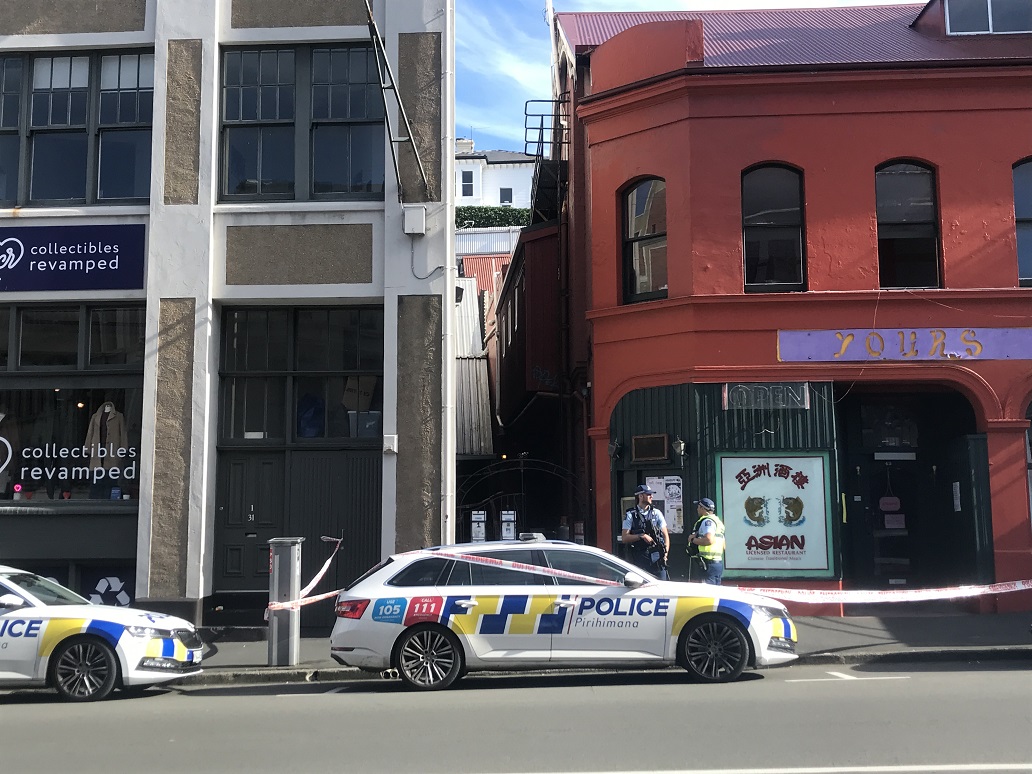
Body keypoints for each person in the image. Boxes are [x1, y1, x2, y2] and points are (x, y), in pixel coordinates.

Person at [622, 484, 670, 580]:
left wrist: (665, 554)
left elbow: (666, 536)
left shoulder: (656, 513)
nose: (651, 496)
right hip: (640, 558)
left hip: (657, 557)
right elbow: (625, 538)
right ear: (640, 496)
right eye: (648, 494)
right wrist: (641, 536)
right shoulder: (631, 515)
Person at [687, 497, 725, 585]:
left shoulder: (708, 521)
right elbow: (724, 545)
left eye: (698, 507)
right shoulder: (718, 522)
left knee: (708, 594)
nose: (697, 509)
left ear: (703, 508)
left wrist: (693, 540)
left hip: (708, 565)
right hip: (717, 563)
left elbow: (709, 540)